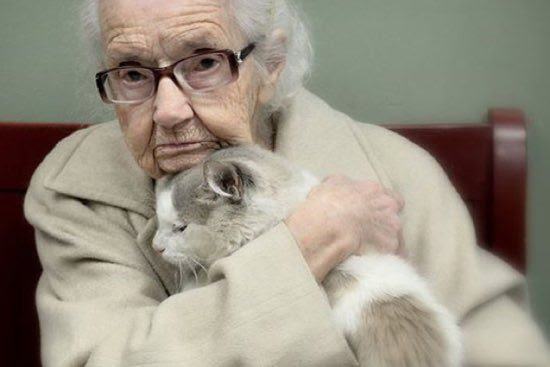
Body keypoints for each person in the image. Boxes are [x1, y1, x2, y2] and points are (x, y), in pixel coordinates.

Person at [24, 0, 549, 366]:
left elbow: (502, 349)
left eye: (205, 63)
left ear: (270, 65)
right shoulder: (76, 190)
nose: (167, 110)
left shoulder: (395, 170)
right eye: (133, 74)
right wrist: (305, 246)